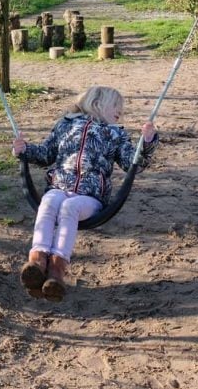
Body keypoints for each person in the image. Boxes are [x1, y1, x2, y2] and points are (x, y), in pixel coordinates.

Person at [12, 85, 158, 302]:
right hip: (59, 187)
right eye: (116, 106)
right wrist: (23, 150)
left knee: (69, 208)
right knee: (49, 202)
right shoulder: (65, 125)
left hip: (91, 198)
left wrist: (146, 142)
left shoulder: (115, 133)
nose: (120, 112)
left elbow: (132, 162)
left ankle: (57, 269)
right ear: (98, 104)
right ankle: (37, 260)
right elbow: (46, 153)